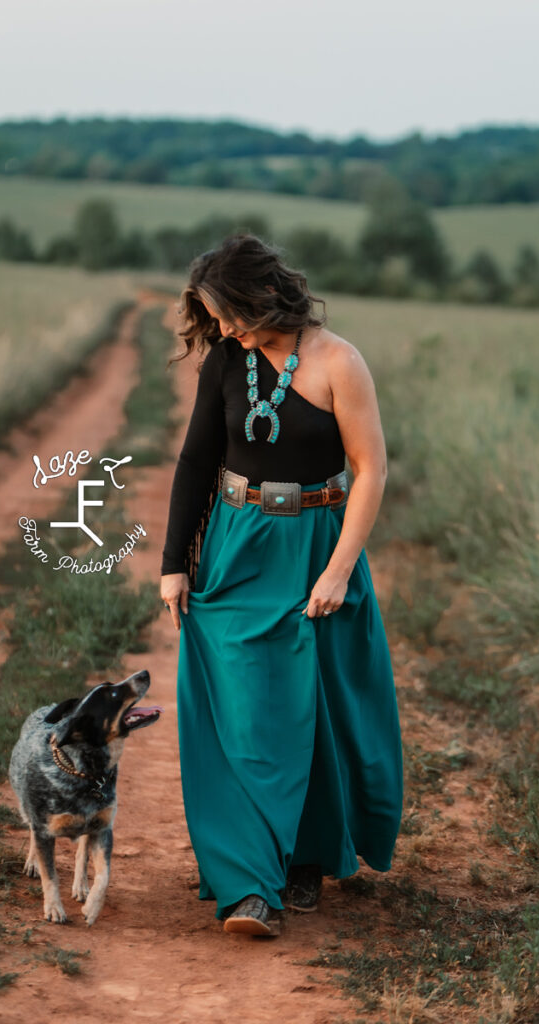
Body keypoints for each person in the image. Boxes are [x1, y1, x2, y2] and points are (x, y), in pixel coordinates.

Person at [160, 234, 403, 938]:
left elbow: (371, 470)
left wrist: (338, 571)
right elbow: (194, 459)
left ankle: (301, 857)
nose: (226, 328)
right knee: (240, 708)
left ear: (262, 296)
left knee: (312, 707)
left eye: (229, 313)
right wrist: (175, 561)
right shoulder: (225, 361)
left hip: (316, 546)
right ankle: (246, 886)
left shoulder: (339, 362)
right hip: (237, 547)